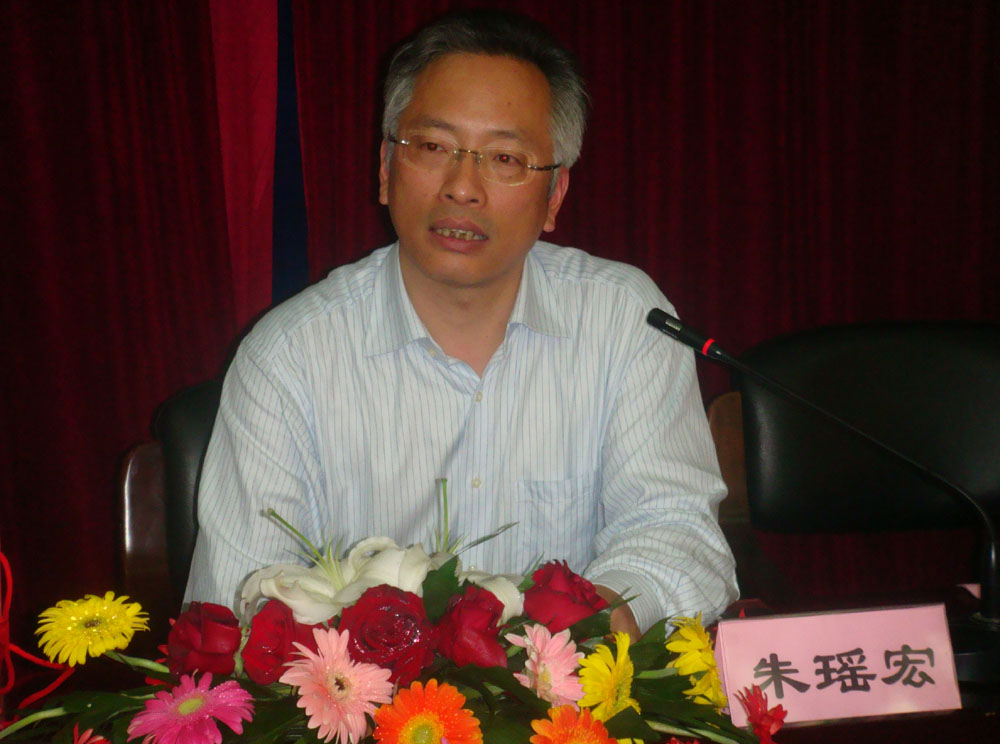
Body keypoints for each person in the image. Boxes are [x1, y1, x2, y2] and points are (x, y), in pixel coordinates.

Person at [185, 8, 737, 637]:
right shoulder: (289, 356)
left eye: (505, 158)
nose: (463, 188)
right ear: (386, 169)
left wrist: (583, 633)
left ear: (554, 196)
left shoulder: (625, 321)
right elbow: (240, 598)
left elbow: (675, 529)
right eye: (432, 147)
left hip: (578, 689)